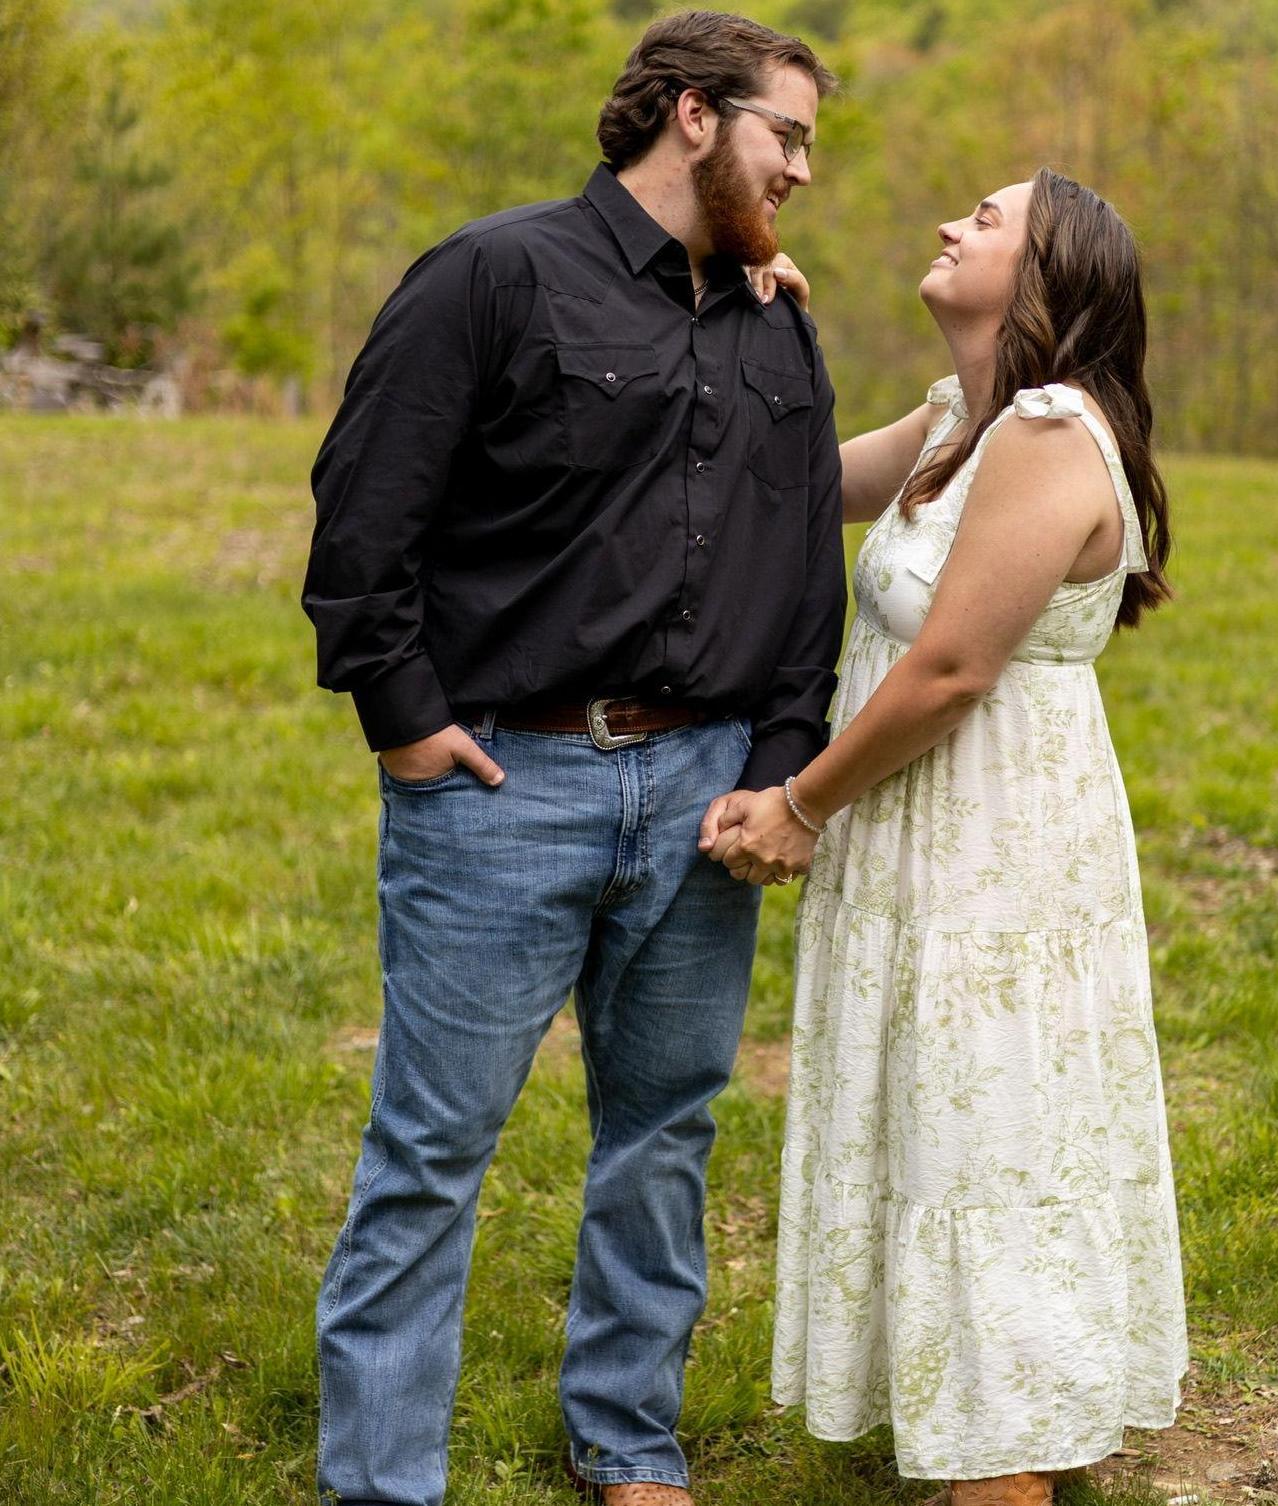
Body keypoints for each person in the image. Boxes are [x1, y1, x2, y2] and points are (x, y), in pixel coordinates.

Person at [299, 12, 844, 1505]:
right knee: (432, 1150)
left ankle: (629, 1438)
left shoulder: (776, 325)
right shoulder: (492, 276)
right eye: (787, 135)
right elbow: (364, 514)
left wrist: (781, 759)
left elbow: (805, 566)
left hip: (705, 792)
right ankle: (383, 1482)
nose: (802, 172)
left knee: (664, 1135)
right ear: (692, 115)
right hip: (503, 786)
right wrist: (408, 723)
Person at [706, 169, 1188, 1504]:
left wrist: (801, 802)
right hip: (923, 824)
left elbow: (953, 667)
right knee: (936, 1113)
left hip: (992, 837)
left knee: (993, 1124)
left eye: (985, 220)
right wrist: (759, 330)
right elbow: (788, 482)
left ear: (1045, 275)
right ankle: (977, 1414)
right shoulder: (957, 420)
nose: (947, 226)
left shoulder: (1047, 430)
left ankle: (1006, 1463)